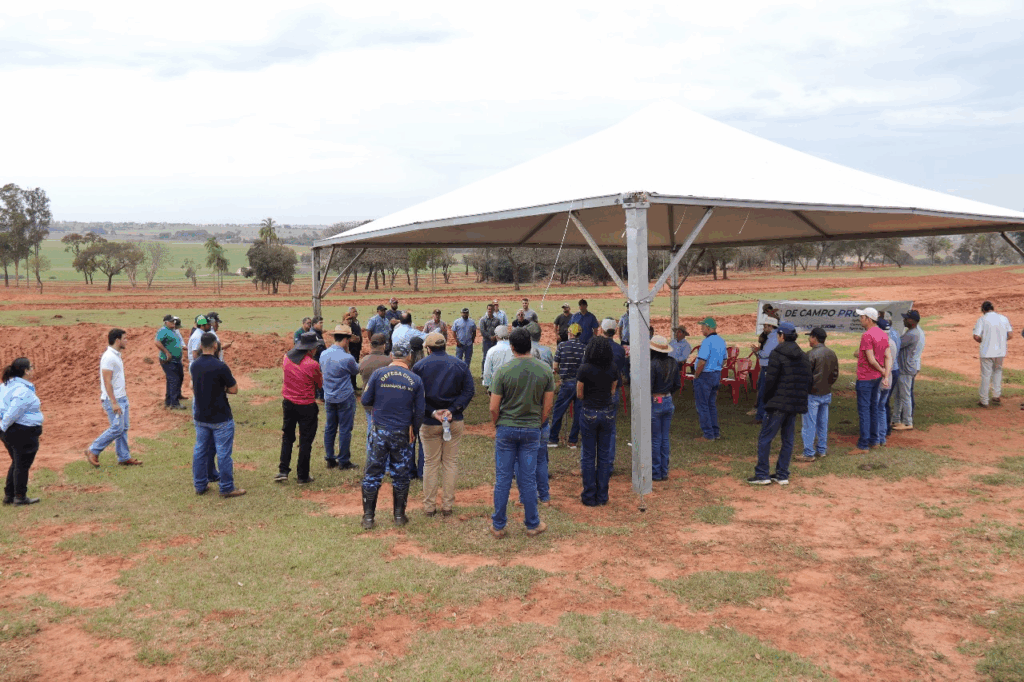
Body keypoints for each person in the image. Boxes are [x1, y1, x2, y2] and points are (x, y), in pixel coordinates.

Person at [488, 328, 554, 538]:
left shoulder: (503, 371)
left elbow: (493, 407)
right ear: (530, 345)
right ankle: (532, 524)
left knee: (503, 478)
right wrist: (537, 423)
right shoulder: (545, 370)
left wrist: (498, 424)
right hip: (532, 429)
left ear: (512, 347)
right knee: (528, 478)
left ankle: (498, 525)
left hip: (506, 428)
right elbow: (547, 406)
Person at [360, 342, 425, 529]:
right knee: (401, 474)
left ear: (391, 356)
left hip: (379, 431)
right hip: (402, 432)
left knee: (373, 473)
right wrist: (414, 430)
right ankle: (399, 516)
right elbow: (420, 411)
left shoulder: (378, 374)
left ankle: (368, 518)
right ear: (409, 357)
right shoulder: (415, 379)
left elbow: (365, 399)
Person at [413, 332, 475, 517]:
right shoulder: (460, 364)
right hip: (453, 420)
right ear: (445, 345)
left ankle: (429, 507)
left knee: (430, 463)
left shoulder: (419, 366)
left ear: (428, 348)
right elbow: (469, 391)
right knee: (450, 463)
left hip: (430, 422)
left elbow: (415, 396)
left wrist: (433, 412)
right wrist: (453, 409)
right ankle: (447, 506)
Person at [747, 322, 812, 485]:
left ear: (782, 336)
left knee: (765, 438)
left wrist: (766, 399)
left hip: (777, 403)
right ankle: (782, 474)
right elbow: (808, 380)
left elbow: (770, 380)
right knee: (788, 439)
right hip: (794, 404)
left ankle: (762, 474)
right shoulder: (803, 355)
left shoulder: (777, 354)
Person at [190, 332, 245, 498]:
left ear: (201, 346)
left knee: (200, 450)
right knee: (223, 453)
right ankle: (226, 487)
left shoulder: (195, 365)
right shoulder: (221, 366)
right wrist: (222, 388)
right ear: (215, 346)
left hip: (201, 416)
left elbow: (194, 386)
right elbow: (234, 389)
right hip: (221, 416)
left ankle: (200, 484)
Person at [85, 329, 141, 467]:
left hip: (122, 398)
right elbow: (107, 381)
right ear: (117, 340)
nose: (126, 341)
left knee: (123, 428)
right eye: (124, 338)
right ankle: (93, 450)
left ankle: (124, 457)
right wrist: (114, 402)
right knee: (117, 428)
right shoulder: (109, 357)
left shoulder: (115, 355)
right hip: (114, 400)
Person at [576, 337, 619, 505]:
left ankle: (589, 495)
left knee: (588, 455)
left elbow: (579, 394)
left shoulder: (584, 369)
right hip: (607, 412)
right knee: (604, 455)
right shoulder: (613, 368)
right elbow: (613, 391)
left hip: (589, 411)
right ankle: (602, 496)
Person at [275, 331, 322, 484]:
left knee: (287, 436)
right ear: (310, 349)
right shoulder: (313, 364)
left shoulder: (286, 358)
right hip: (306, 406)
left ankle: (283, 470)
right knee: (305, 441)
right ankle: (302, 475)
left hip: (288, 402)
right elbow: (319, 384)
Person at [1, 358, 43, 505]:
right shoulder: (22, 391)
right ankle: (20, 497)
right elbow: (12, 413)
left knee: (17, 462)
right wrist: (3, 426)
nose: (33, 369)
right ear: (26, 371)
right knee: (22, 465)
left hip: (10, 432)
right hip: (22, 432)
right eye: (31, 367)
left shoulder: (5, 385)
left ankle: (9, 496)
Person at [849, 307, 890, 455]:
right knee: (873, 408)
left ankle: (863, 444)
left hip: (865, 377)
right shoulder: (883, 334)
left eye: (862, 317)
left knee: (864, 410)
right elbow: (888, 356)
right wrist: (885, 374)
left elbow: (871, 359)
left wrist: (882, 370)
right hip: (876, 378)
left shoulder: (867, 335)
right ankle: (874, 440)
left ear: (869, 319)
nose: (860, 319)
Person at [320, 324, 359, 471]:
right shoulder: (347, 357)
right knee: (344, 429)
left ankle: (330, 458)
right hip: (344, 397)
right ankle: (343, 460)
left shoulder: (324, 354)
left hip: (329, 396)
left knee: (330, 428)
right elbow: (355, 371)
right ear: (346, 340)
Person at [798, 328, 839, 462]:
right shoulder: (831, 353)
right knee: (822, 424)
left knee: (809, 424)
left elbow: (805, 376)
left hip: (812, 394)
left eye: (810, 337)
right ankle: (821, 450)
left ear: (814, 338)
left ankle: (809, 453)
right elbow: (835, 374)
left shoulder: (811, 354)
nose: (809, 339)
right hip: (826, 392)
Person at [648, 335, 681, 481]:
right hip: (668, 399)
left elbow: (649, 386)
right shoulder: (673, 362)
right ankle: (664, 470)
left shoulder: (653, 364)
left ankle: (656, 472)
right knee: (664, 438)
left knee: (656, 438)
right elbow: (677, 384)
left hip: (657, 400)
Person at [549, 323, 586, 448]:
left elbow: (555, 366)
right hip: (580, 383)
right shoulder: (584, 348)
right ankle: (573, 441)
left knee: (558, 411)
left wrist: (562, 373)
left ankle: (553, 439)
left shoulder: (562, 346)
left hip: (566, 383)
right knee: (578, 413)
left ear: (570, 333)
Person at [973, 301, 1013, 407]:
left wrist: (984, 341)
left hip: (986, 352)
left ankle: (984, 400)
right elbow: (1010, 335)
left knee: (986, 375)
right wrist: (1001, 340)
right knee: (998, 371)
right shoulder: (1004, 318)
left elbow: (976, 336)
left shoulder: (982, 319)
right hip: (1000, 352)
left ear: (983, 310)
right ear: (993, 308)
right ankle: (996, 395)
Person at [693, 317, 727, 442]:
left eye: (703, 327)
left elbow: (702, 361)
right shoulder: (721, 341)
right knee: (711, 405)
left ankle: (708, 434)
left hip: (705, 375)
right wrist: (715, 366)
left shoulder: (707, 342)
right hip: (716, 374)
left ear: (708, 327)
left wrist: (696, 375)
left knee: (702, 405)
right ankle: (715, 432)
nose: (701, 330)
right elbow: (724, 360)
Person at [892, 310, 925, 431]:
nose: (904, 320)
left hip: (906, 369)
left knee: (905, 396)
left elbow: (897, 344)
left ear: (912, 321)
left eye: (906, 318)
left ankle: (907, 422)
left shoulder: (912, 334)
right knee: (899, 395)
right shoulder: (914, 332)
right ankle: (896, 419)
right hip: (905, 367)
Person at [750, 317, 779, 422]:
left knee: (763, 392)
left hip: (768, 367)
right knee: (764, 390)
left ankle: (761, 416)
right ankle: (764, 415)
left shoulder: (772, 338)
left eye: (765, 326)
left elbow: (765, 354)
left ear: (770, 326)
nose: (763, 328)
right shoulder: (774, 336)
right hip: (769, 366)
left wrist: (758, 352)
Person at [876, 317, 900, 444]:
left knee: (877, 408)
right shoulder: (892, 342)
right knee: (882, 407)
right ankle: (882, 436)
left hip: (880, 379)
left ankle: (876, 437)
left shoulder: (881, 344)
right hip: (889, 379)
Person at [154, 314, 186, 410]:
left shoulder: (172, 330)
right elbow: (157, 342)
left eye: (173, 321)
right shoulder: (163, 331)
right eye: (171, 321)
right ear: (166, 322)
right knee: (174, 380)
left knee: (176, 378)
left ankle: (168, 401)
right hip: (168, 360)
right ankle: (174, 403)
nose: (173, 323)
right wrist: (167, 352)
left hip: (176, 360)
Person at [479, 304, 501, 374]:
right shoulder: (483, 320)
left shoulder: (497, 320)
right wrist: (490, 337)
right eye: (489, 309)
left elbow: (499, 329)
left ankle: (494, 372)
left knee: (495, 357)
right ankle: (483, 373)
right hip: (486, 341)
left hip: (495, 341)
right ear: (487, 309)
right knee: (485, 356)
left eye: (491, 309)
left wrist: (495, 336)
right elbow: (482, 331)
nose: (490, 311)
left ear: (493, 310)